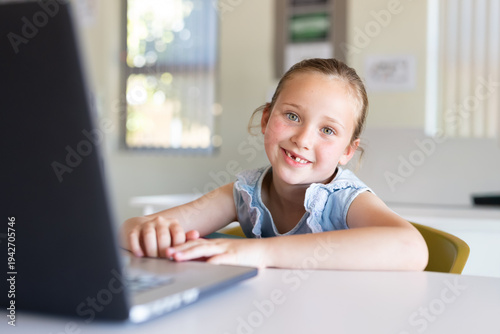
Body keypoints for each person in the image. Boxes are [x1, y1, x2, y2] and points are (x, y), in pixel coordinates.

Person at [121, 58, 429, 271]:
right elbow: (131, 229)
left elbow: (411, 248)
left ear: (347, 151)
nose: (304, 139)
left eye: (328, 130)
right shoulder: (245, 193)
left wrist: (260, 252)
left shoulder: (344, 199)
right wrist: (145, 234)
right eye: (292, 116)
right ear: (267, 119)